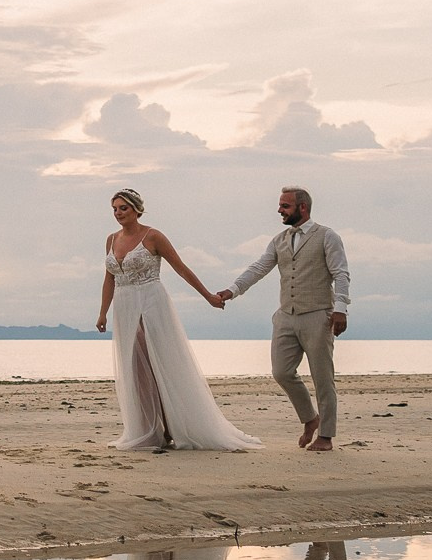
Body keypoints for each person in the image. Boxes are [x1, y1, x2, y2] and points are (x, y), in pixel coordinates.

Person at [97, 189, 263, 451]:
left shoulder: (153, 236)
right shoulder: (111, 239)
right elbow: (109, 278)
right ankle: (151, 430)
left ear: (137, 210)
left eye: (123, 208)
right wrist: (103, 312)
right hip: (124, 306)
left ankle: (175, 426)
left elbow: (181, 268)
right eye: (115, 209)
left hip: (151, 303)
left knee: (160, 364)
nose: (118, 213)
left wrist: (208, 296)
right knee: (136, 370)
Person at [212, 186, 350, 451]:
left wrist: (341, 308)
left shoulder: (327, 236)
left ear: (302, 207)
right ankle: (310, 418)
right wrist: (233, 290)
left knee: (323, 378)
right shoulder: (279, 240)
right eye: (280, 205)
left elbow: (341, 273)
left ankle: (326, 436)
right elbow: (259, 267)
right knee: (282, 372)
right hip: (286, 316)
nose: (279, 210)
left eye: (285, 206)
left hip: (318, 315)